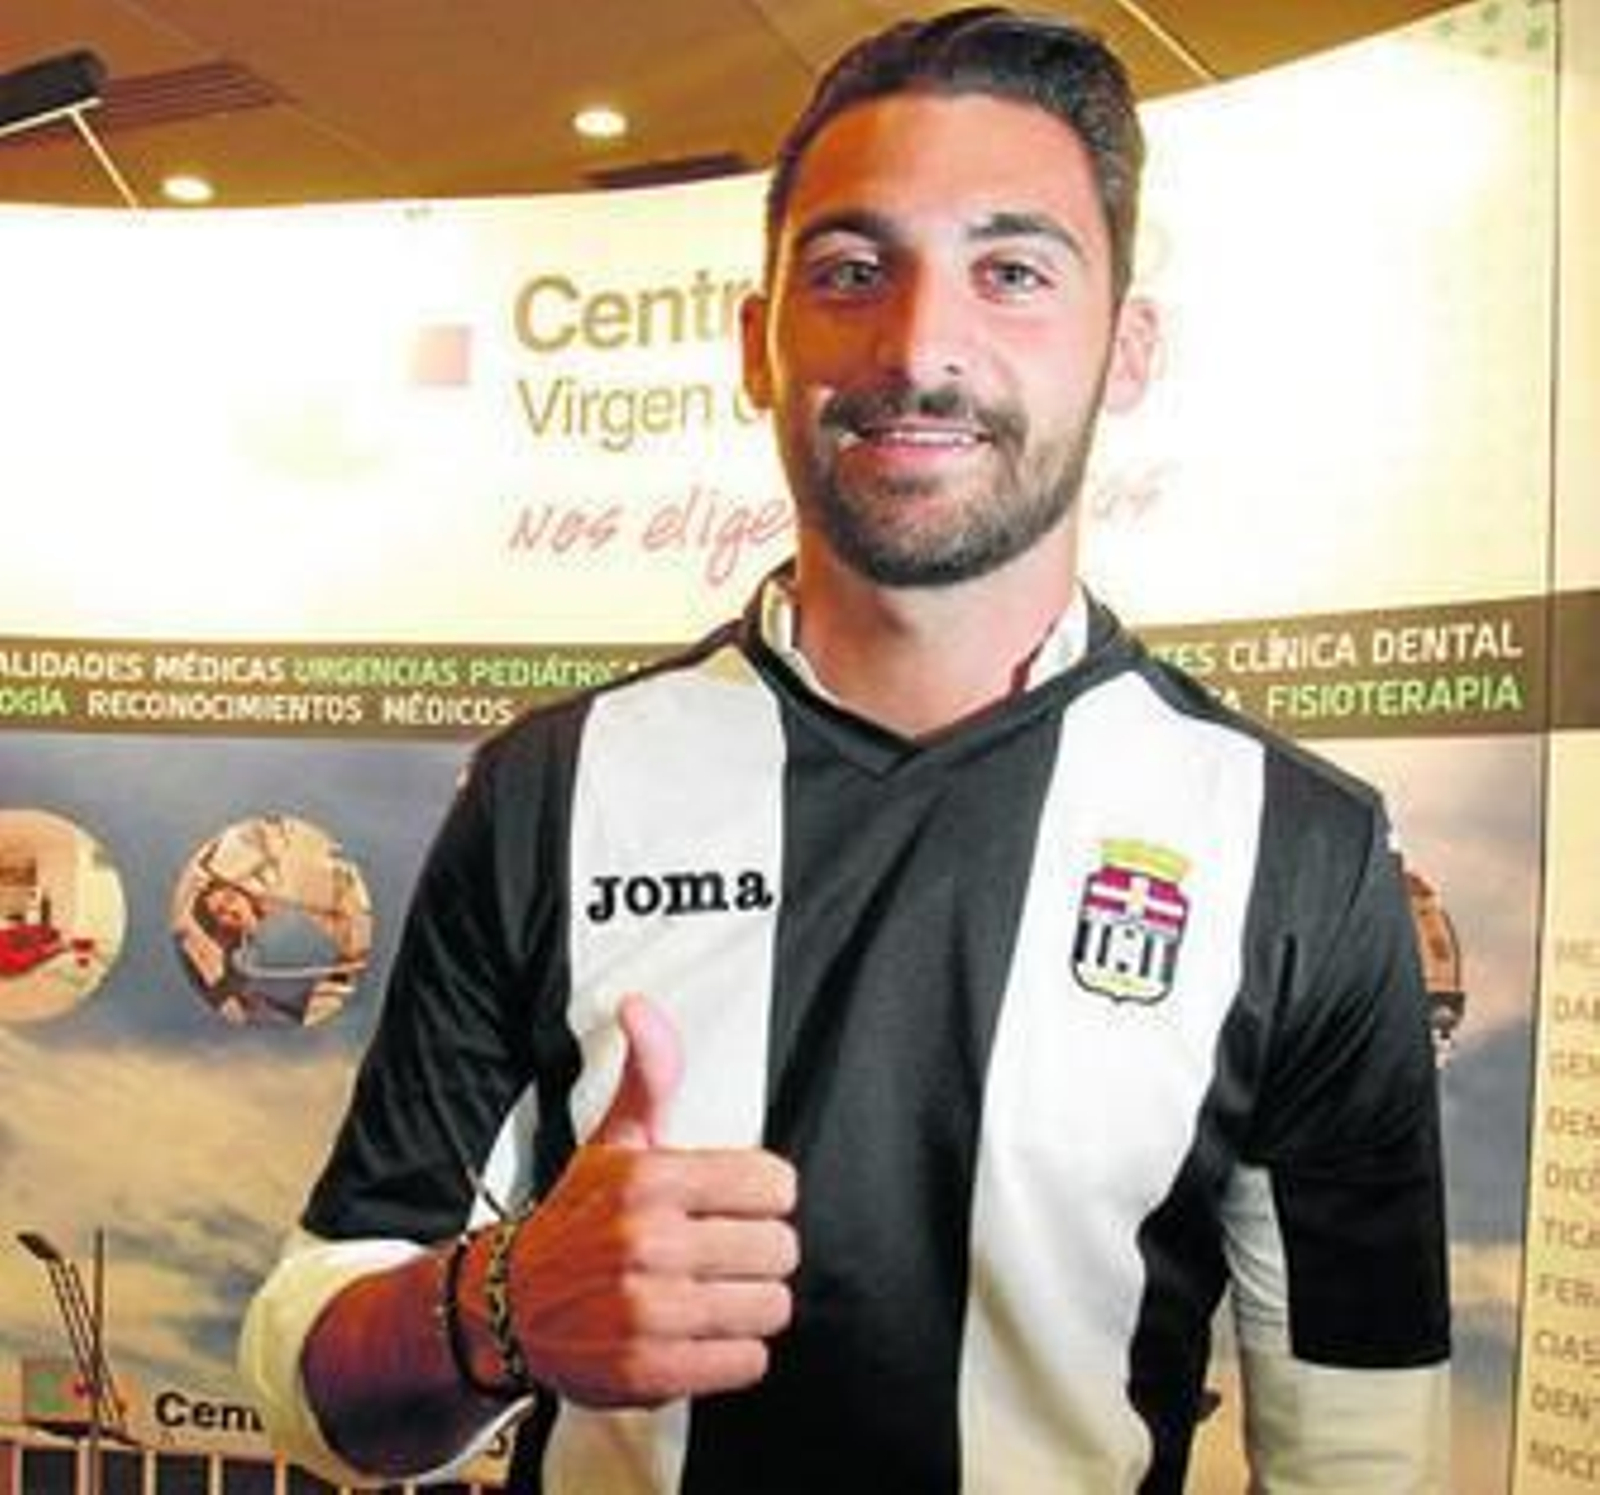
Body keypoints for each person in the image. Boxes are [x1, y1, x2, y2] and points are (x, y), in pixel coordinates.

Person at [239, 8, 1451, 1491]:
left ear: (1125, 350)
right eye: (851, 270)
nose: (921, 344)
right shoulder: (553, 790)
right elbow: (310, 1377)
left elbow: (1363, 1452)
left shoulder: (1300, 849)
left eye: (1012, 272)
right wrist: (493, 1309)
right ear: (760, 343)